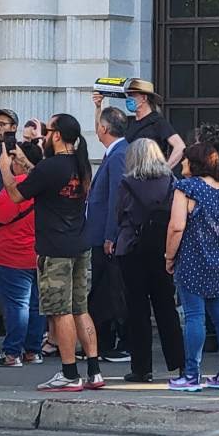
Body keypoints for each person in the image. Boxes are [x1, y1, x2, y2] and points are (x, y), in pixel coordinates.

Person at [3, 111, 102, 392]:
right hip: (80, 244)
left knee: (61, 312)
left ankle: (69, 373)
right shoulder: (80, 164)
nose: (44, 136)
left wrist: (5, 166)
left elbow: (16, 195)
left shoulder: (51, 167)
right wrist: (28, 165)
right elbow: (49, 182)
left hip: (55, 248)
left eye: (48, 132)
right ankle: (94, 371)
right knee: (80, 308)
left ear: (57, 136)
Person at [165, 142, 219, 392]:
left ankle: (191, 375)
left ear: (194, 163)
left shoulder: (186, 187)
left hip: (192, 257)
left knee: (194, 316)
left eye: (185, 159)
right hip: (217, 259)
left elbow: (176, 226)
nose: (182, 163)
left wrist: (168, 256)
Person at [112, 137, 183, 384]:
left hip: (132, 249)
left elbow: (120, 214)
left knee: (137, 310)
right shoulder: (171, 182)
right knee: (166, 307)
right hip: (163, 249)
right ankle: (180, 363)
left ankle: (142, 368)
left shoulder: (127, 182)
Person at [0, 141, 43, 367]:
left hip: (9, 254)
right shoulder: (46, 184)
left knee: (17, 305)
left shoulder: (17, 186)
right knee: (35, 304)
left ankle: (12, 353)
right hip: (35, 253)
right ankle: (32, 350)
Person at [85, 107, 130, 364]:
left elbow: (116, 197)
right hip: (100, 234)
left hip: (107, 237)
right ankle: (101, 342)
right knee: (102, 291)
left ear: (104, 129)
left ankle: (115, 341)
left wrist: (110, 235)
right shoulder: (113, 152)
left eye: (99, 124)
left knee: (110, 291)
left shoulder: (119, 154)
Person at [101, 80, 186, 171]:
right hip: (128, 174)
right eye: (128, 95)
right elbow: (103, 132)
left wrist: (165, 170)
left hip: (149, 176)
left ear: (144, 98)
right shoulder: (127, 121)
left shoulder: (157, 122)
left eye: (133, 95)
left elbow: (180, 146)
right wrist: (98, 107)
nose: (128, 98)